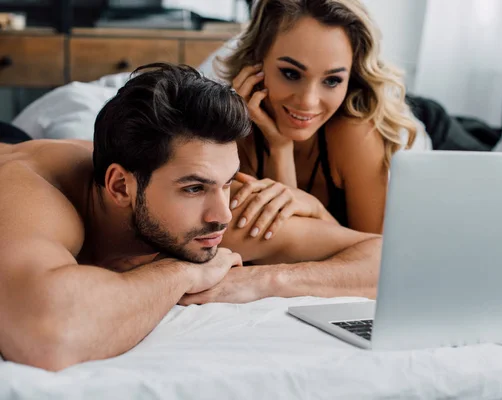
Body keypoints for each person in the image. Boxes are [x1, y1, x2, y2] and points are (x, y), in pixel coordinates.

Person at [0, 64, 381, 371]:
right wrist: (183, 272)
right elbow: (46, 335)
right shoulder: (32, 194)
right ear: (120, 187)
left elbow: (388, 258)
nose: (223, 215)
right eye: (194, 188)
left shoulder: (206, 215)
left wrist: (260, 280)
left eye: (227, 183)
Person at [219, 0, 432, 239]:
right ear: (257, 62)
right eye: (291, 73)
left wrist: (317, 211)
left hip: (426, 123)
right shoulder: (230, 133)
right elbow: (283, 246)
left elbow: (373, 259)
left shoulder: (356, 133)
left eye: (332, 80)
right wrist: (280, 147)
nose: (308, 101)